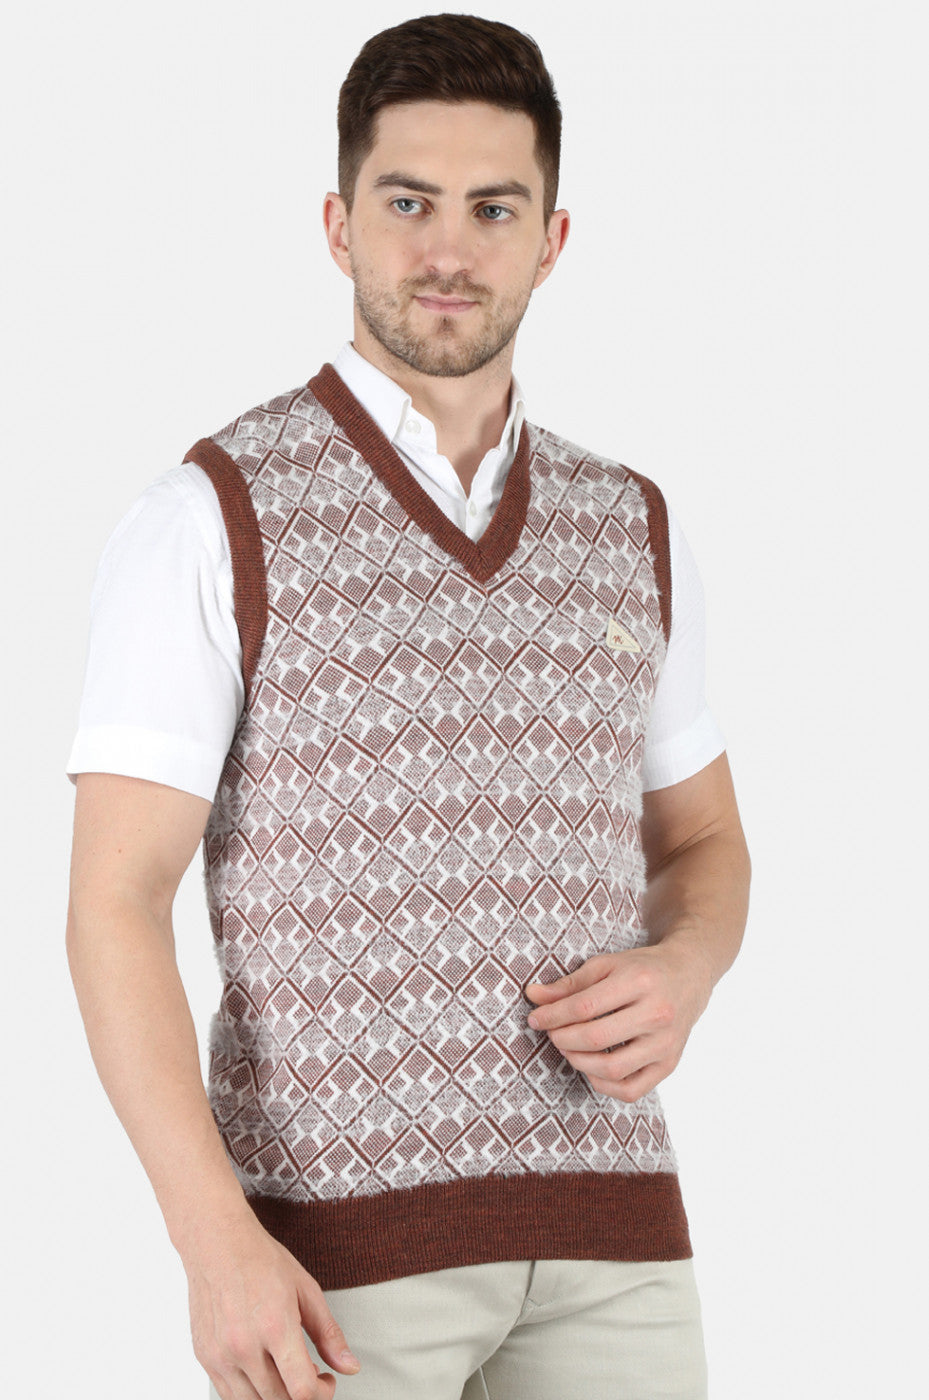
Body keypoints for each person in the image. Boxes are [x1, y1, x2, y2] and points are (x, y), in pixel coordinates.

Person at [65, 14, 750, 1400]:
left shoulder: (630, 522)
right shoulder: (211, 513)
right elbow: (113, 904)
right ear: (338, 226)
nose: (449, 249)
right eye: (407, 202)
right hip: (332, 1265)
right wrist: (214, 1241)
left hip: (617, 1239)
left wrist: (685, 967)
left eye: (493, 208)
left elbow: (704, 842)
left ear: (552, 240)